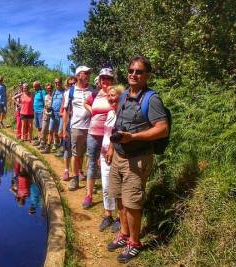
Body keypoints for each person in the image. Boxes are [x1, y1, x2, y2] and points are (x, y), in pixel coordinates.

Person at [105, 56, 169, 263]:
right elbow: (119, 123)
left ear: (147, 75)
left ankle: (135, 242)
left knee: (132, 202)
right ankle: (124, 235)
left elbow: (162, 128)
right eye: (131, 70)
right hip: (119, 155)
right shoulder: (123, 95)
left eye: (139, 71)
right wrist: (112, 148)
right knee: (119, 198)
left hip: (138, 158)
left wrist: (133, 137)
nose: (134, 74)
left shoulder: (152, 99)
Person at [82, 68, 114, 209]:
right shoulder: (95, 94)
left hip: (109, 136)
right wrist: (92, 111)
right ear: (99, 80)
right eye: (103, 78)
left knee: (108, 165)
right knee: (92, 164)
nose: (105, 81)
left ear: (112, 80)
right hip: (93, 133)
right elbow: (86, 103)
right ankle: (89, 195)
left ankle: (109, 199)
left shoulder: (114, 94)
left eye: (108, 78)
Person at [98, 84, 124, 232]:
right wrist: (100, 154)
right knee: (106, 185)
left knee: (118, 188)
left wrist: (111, 151)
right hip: (104, 154)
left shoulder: (123, 114)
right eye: (108, 95)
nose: (110, 98)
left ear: (121, 96)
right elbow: (106, 135)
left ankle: (120, 218)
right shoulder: (109, 114)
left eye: (113, 95)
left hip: (117, 155)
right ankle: (108, 215)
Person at [62, 66, 93, 191]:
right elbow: (66, 112)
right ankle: (75, 178)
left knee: (87, 154)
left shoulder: (93, 90)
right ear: (78, 75)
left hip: (91, 128)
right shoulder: (69, 92)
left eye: (89, 73)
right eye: (85, 73)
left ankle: (83, 174)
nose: (88, 75)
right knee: (76, 154)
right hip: (76, 127)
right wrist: (64, 129)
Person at [48, 78, 64, 153]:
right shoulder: (54, 92)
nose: (57, 84)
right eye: (56, 83)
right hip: (53, 114)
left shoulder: (64, 92)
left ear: (61, 83)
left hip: (61, 115)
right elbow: (52, 101)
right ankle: (51, 145)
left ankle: (60, 146)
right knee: (51, 130)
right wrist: (50, 107)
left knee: (60, 131)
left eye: (58, 82)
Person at [39, 83, 53, 153]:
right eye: (47, 89)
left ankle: (49, 145)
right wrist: (44, 112)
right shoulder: (45, 96)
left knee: (50, 131)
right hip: (46, 114)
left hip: (52, 116)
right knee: (43, 129)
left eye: (50, 88)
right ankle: (42, 143)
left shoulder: (54, 96)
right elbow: (45, 106)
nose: (49, 90)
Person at [32, 81, 46, 146]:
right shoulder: (36, 92)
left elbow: (45, 102)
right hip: (35, 111)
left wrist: (43, 110)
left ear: (38, 86)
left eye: (34, 87)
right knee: (38, 126)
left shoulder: (42, 92)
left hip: (40, 112)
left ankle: (42, 141)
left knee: (41, 127)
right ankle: (39, 139)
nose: (33, 88)